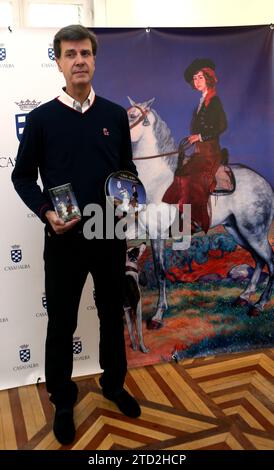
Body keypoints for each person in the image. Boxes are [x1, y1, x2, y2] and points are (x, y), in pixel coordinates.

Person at [11, 24, 140, 446]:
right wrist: (46, 211)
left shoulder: (115, 116)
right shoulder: (42, 119)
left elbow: (127, 172)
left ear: (95, 59)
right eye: (70, 54)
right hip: (63, 243)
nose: (79, 60)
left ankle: (114, 384)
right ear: (59, 62)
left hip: (109, 237)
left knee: (110, 315)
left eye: (85, 52)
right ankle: (63, 400)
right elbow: (22, 177)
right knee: (61, 323)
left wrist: (130, 196)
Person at [162, 58, 227, 233]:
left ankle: (194, 220)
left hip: (210, 153)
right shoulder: (201, 102)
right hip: (200, 152)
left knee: (192, 179)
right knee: (179, 173)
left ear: (209, 78)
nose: (197, 81)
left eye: (200, 77)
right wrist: (193, 139)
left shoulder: (214, 101)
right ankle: (177, 217)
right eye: (195, 78)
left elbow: (222, 126)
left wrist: (200, 136)